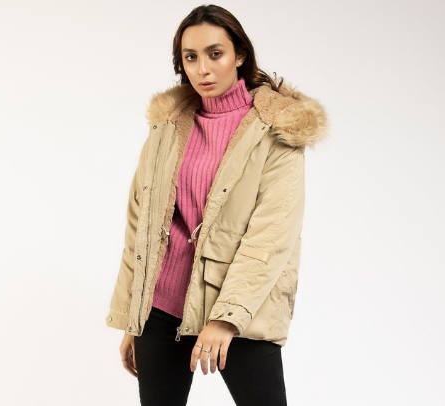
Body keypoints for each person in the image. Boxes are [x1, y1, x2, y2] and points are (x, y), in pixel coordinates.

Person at [105, 4, 328, 405]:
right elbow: (140, 226)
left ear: (239, 55)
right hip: (160, 309)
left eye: (215, 54)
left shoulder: (277, 131)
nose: (203, 69)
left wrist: (226, 319)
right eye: (191, 57)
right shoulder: (167, 125)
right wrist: (132, 318)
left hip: (241, 308)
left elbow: (272, 234)